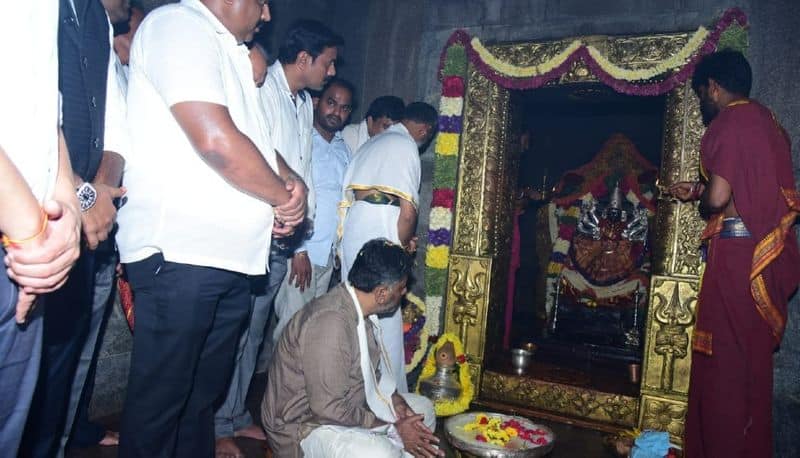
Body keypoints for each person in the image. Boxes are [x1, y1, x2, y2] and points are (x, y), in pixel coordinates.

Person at [115, 0, 307, 456]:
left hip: (232, 260)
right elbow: (217, 141)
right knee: (161, 406)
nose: (265, 16)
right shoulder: (178, 25)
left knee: (199, 403)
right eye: (261, 3)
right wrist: (281, 198)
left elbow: (255, 141)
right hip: (182, 255)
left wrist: (290, 180)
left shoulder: (234, 53)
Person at [215, 21, 342, 452]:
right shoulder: (262, 86)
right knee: (233, 330)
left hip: (287, 232)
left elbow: (301, 161)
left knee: (253, 330)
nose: (331, 71)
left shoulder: (303, 102)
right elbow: (263, 152)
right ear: (304, 59)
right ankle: (216, 423)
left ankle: (233, 414)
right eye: (328, 62)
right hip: (260, 226)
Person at [669, 50, 800, 458]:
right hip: (763, 263)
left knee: (722, 368)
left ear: (713, 87)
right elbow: (750, 190)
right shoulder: (768, 122)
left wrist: (704, 198)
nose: (703, 105)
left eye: (701, 96)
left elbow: (722, 196)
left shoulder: (730, 120)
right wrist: (700, 190)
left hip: (736, 260)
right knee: (750, 372)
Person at [20, 0, 130, 455]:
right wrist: (85, 196)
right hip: (28, 218)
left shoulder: (97, 21)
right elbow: (30, 118)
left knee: (58, 369)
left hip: (78, 232)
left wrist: (99, 193)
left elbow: (116, 134)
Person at [262, 239, 442, 458]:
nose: (404, 292)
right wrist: (391, 428)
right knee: (381, 454)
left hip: (348, 404)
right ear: (382, 294)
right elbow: (328, 409)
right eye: (401, 287)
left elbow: (372, 375)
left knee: (423, 412)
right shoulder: (331, 324)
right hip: (304, 427)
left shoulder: (359, 308)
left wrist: (398, 404)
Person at [0, 2, 82, 453]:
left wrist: (66, 201)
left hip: (26, 243)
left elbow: (37, 109)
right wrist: (32, 233)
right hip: (22, 239)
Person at [339, 102, 438, 392]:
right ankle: (390, 397)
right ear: (425, 130)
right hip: (380, 226)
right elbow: (408, 211)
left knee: (356, 308)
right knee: (387, 312)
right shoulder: (405, 146)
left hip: (355, 225)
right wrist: (404, 246)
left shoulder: (373, 142)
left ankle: (353, 388)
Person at [282, 78, 354, 306]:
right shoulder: (303, 141)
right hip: (303, 254)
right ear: (316, 102)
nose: (336, 112)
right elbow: (289, 195)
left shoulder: (344, 150)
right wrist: (299, 250)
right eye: (331, 103)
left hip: (328, 255)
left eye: (344, 108)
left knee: (311, 330)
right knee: (290, 328)